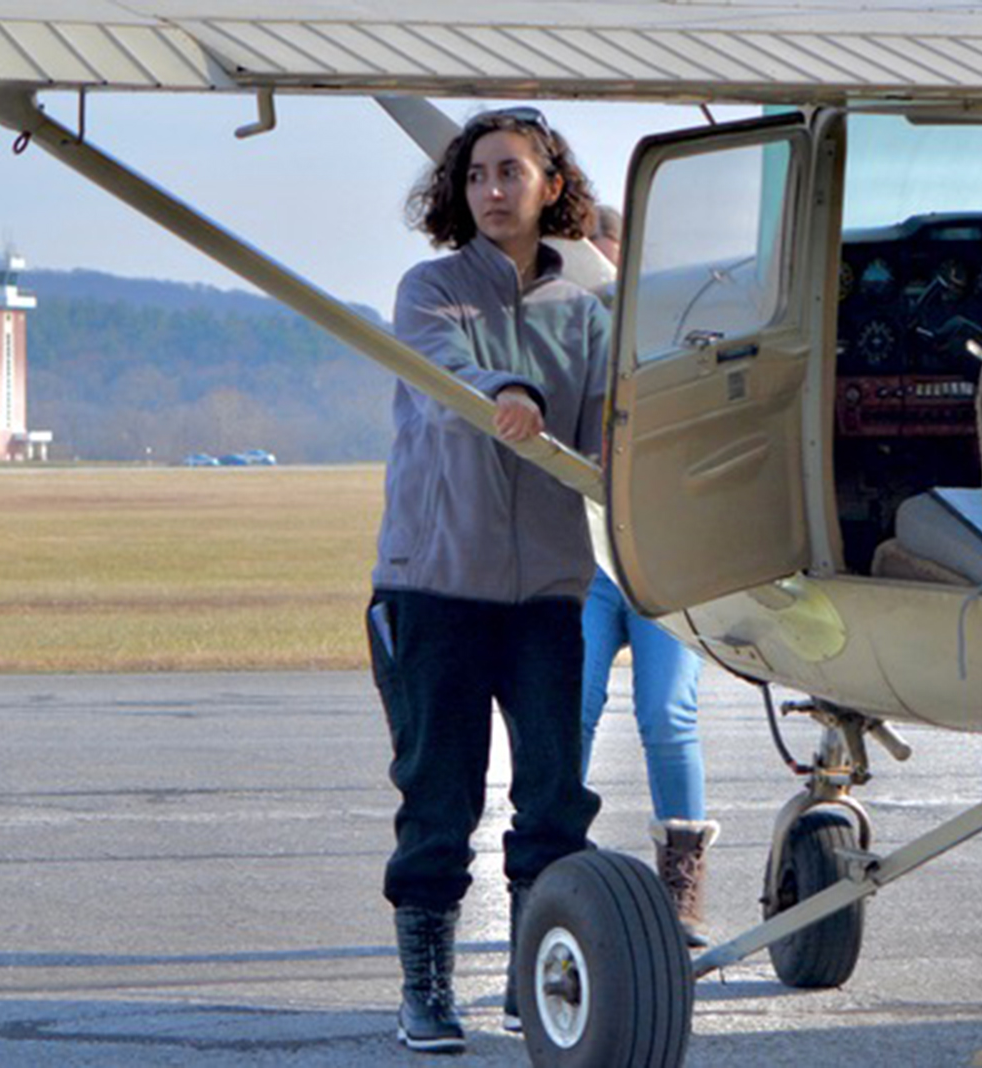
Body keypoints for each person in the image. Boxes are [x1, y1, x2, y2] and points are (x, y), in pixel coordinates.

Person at [368, 107, 608, 1054]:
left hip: (548, 592)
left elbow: (602, 437)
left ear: (553, 186)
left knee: (554, 799)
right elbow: (448, 372)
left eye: (511, 172)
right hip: (435, 588)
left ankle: (533, 972)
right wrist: (509, 391)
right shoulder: (429, 290)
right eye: (476, 176)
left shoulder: (584, 314)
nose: (492, 191)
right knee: (440, 800)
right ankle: (426, 989)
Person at [577, 202, 721, 949]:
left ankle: (681, 876)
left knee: (667, 713)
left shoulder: (682, 337)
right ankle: (556, 864)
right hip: (586, 558)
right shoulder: (563, 337)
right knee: (573, 706)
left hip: (662, 557)